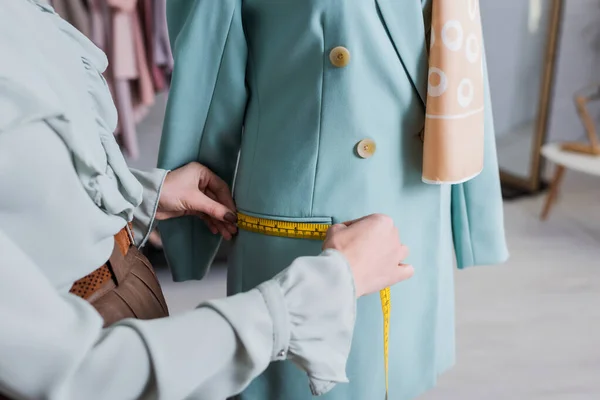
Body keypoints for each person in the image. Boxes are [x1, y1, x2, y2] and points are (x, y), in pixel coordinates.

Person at [0, 1, 414, 399]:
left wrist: (138, 196)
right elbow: (76, 376)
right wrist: (310, 299)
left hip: (131, 289)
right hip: (108, 354)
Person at [158, 0, 509, 399]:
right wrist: (187, 240)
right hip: (315, 226)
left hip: (415, 201)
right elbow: (208, 73)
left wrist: (473, 214)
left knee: (399, 379)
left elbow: (460, 55)